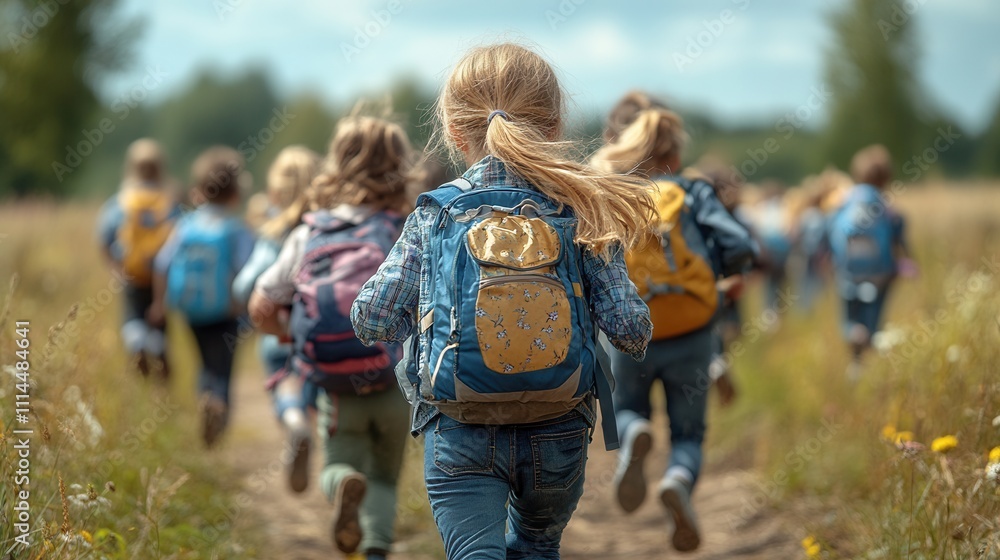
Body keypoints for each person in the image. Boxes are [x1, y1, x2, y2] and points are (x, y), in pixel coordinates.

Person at [351, 43, 655, 559]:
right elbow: (631, 329)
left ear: (452, 130)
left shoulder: (436, 214)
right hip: (558, 426)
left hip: (459, 422)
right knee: (537, 546)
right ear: (555, 125)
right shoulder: (580, 209)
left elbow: (372, 319)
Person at [249, 116, 419, 560]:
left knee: (340, 463)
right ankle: (377, 549)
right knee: (384, 476)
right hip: (392, 380)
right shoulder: (407, 228)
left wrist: (291, 333)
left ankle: (342, 482)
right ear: (400, 169)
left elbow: (260, 305)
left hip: (336, 387)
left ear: (335, 166)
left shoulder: (311, 231)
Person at [591, 101, 754, 552]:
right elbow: (740, 243)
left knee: (628, 410)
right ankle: (678, 480)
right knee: (689, 433)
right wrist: (720, 278)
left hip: (632, 334)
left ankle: (634, 440)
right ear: (676, 157)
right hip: (694, 333)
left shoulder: (614, 192)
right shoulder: (693, 191)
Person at [150, 146, 255, 447]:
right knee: (223, 365)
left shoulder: (184, 225)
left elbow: (161, 263)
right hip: (226, 311)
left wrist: (160, 303)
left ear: (199, 190)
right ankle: (218, 405)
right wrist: (246, 306)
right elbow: (246, 270)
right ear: (236, 193)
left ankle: (205, 400)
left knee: (203, 362)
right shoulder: (236, 230)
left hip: (191, 309)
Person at [232, 145, 321, 492]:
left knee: (285, 386)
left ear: (275, 192)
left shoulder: (272, 234)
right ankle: (308, 430)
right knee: (311, 386)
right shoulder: (323, 229)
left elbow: (245, 286)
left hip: (276, 334)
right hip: (317, 332)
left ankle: (293, 421)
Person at [827, 145, 914, 379]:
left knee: (850, 315)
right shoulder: (886, 205)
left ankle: (854, 341)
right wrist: (907, 261)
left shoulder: (844, 200)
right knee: (873, 316)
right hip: (880, 272)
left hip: (848, 270)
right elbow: (899, 232)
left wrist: (827, 259)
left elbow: (830, 229)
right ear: (886, 177)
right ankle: (869, 343)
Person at [96, 138, 180, 380]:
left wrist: (115, 270)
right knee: (159, 321)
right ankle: (159, 355)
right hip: (163, 278)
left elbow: (104, 238)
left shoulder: (120, 202)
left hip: (131, 274)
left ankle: (137, 344)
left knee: (133, 318)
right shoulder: (169, 201)